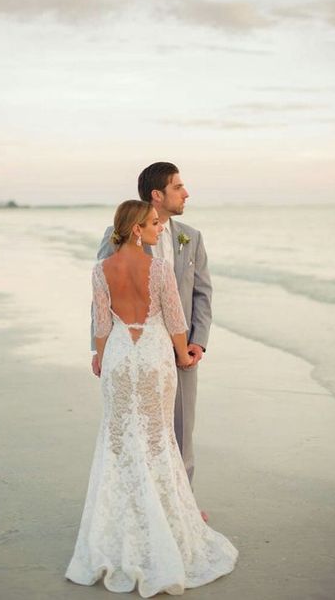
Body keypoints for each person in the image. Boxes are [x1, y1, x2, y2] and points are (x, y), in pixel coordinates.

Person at [65, 200, 238, 597]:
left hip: (121, 360)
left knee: (119, 442)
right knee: (158, 440)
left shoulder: (100, 270)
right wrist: (184, 355)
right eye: (155, 224)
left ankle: (117, 534)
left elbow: (103, 323)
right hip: (155, 358)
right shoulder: (159, 269)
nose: (161, 229)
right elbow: (176, 321)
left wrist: (100, 357)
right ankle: (163, 528)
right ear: (137, 229)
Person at [91, 163, 211, 496]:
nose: (186, 193)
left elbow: (202, 292)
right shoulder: (115, 237)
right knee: (138, 428)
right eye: (178, 187)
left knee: (181, 430)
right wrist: (97, 351)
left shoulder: (192, 237)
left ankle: (181, 505)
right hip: (135, 348)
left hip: (182, 348)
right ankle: (142, 500)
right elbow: (101, 299)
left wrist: (197, 342)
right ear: (157, 195)